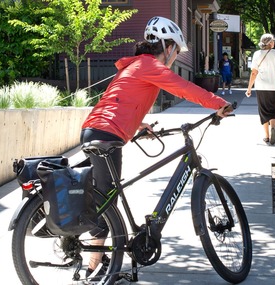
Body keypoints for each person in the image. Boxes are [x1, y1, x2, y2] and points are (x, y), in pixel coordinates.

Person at [80, 16, 233, 280]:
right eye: (175, 48)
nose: (174, 56)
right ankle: (94, 265)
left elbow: (119, 100)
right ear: (168, 46)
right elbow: (184, 89)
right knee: (107, 201)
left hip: (97, 130)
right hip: (106, 134)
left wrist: (140, 125)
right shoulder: (150, 65)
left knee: (106, 197)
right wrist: (218, 103)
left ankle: (101, 258)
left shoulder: (135, 66)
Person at [245, 33, 275, 145]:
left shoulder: (257, 54)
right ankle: (273, 127)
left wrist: (249, 88)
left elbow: (254, 73)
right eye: (273, 41)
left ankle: (267, 136)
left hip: (261, 86)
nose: (274, 42)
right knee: (273, 109)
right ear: (269, 43)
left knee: (263, 110)